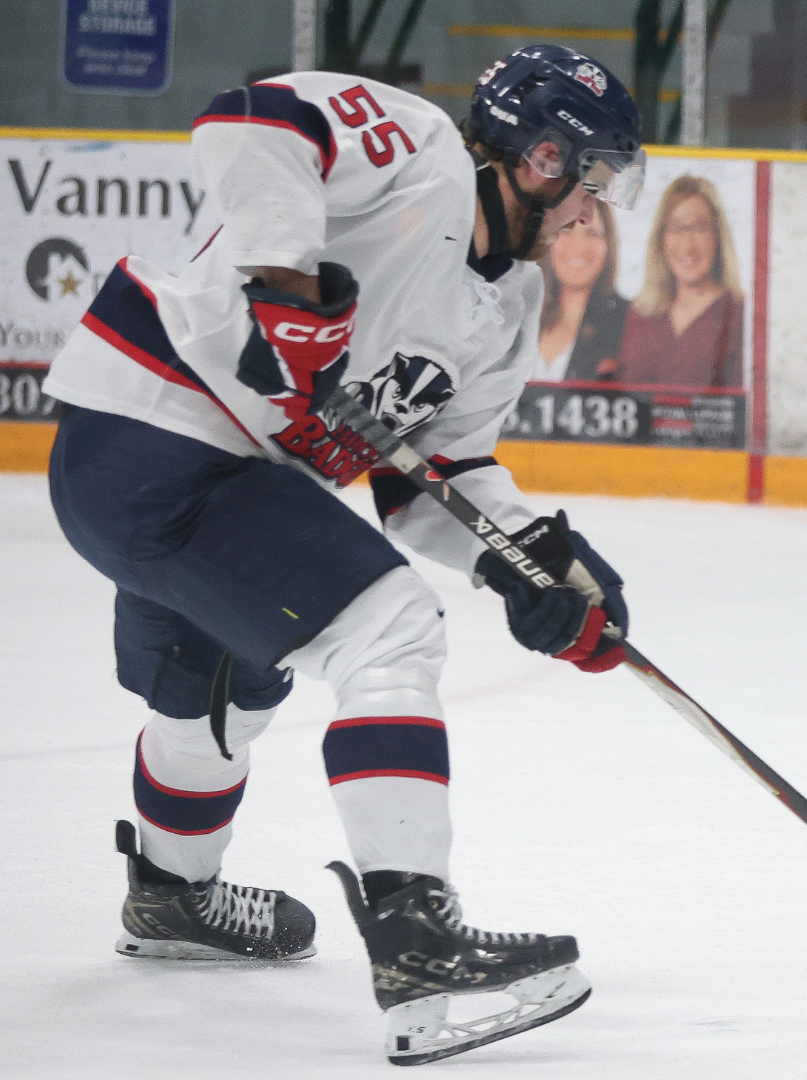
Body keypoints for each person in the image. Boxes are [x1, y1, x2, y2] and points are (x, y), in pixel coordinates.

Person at [42, 45, 646, 1063]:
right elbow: (245, 118)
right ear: (539, 159)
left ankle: (172, 896)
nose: (595, 209)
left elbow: (432, 482)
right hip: (156, 436)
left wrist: (535, 561)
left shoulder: (509, 309)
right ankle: (417, 933)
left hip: (172, 478)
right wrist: (285, 284)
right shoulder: (415, 150)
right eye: (589, 180)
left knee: (224, 687)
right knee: (391, 631)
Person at [607, 174, 744, 389]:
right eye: (676, 228)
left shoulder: (739, 315)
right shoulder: (641, 314)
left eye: (700, 228)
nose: (687, 246)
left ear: (718, 235)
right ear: (661, 239)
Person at [534, 199, 629, 382]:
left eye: (593, 233)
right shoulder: (521, 313)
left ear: (609, 245)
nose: (578, 246)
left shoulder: (628, 324)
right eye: (566, 231)